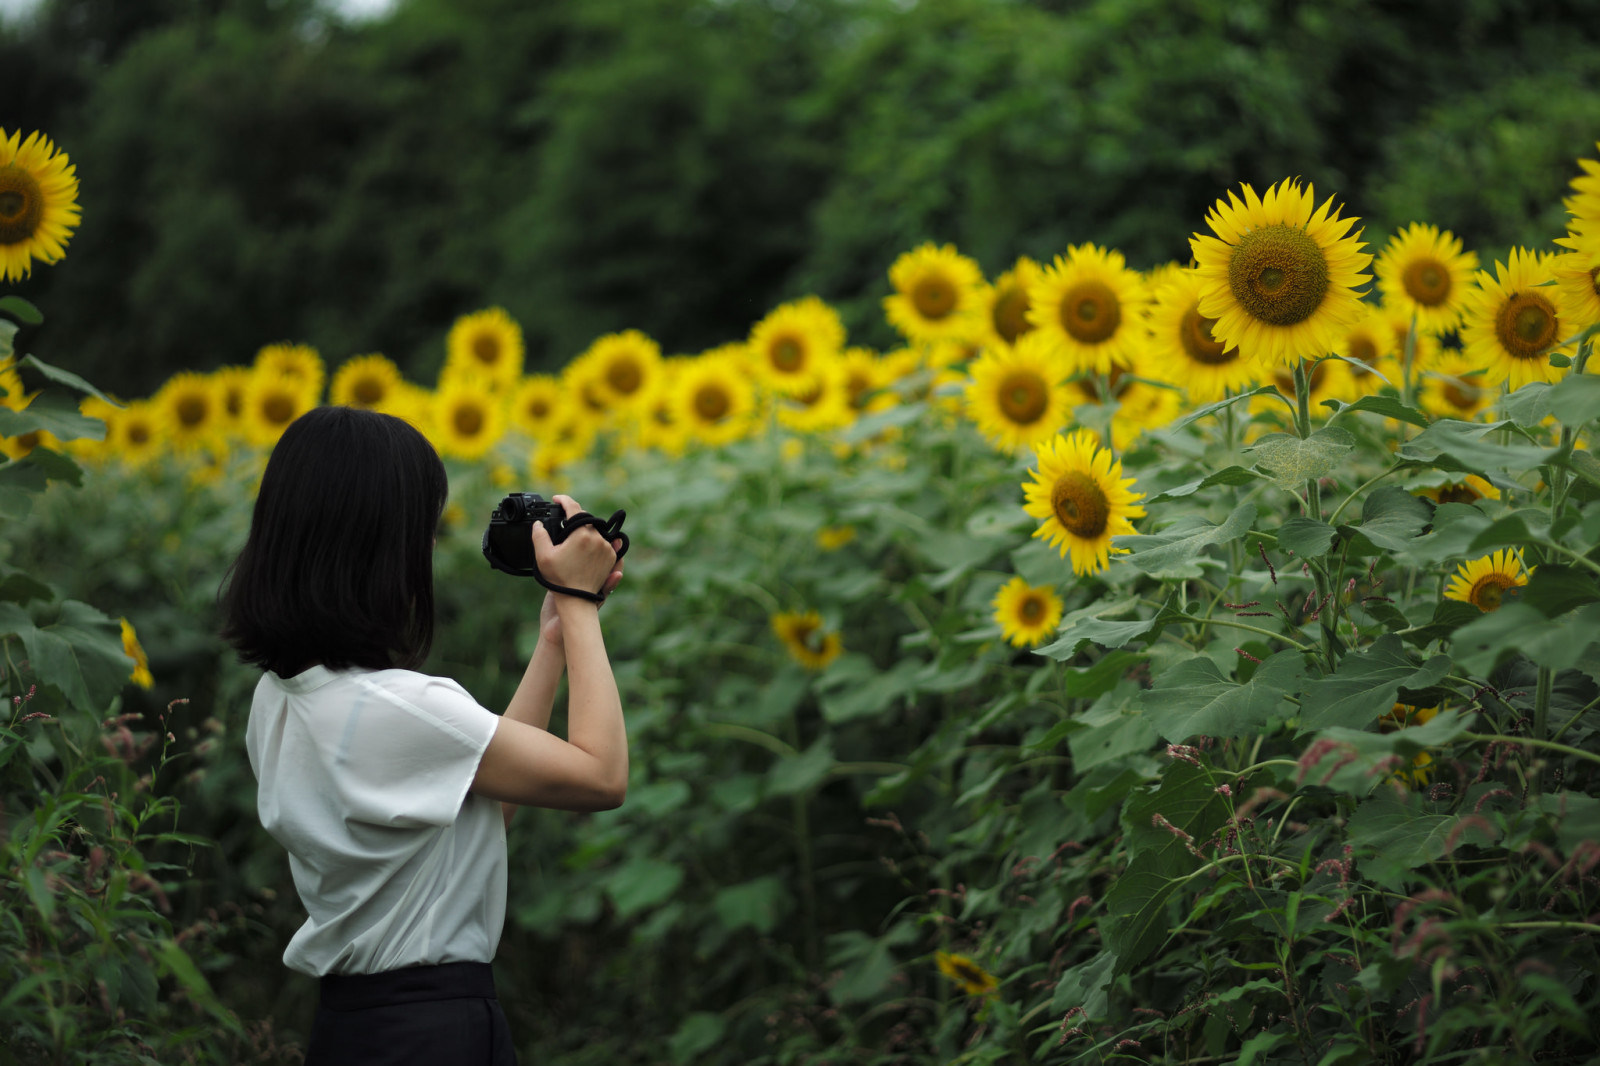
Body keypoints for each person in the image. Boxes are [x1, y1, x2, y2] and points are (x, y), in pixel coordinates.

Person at [221, 406, 626, 1065]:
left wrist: (555, 640)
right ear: (376, 545)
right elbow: (601, 776)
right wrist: (581, 608)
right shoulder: (401, 707)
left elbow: (484, 804)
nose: (429, 551)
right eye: (423, 530)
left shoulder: (278, 700)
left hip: (352, 1028)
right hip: (435, 1028)